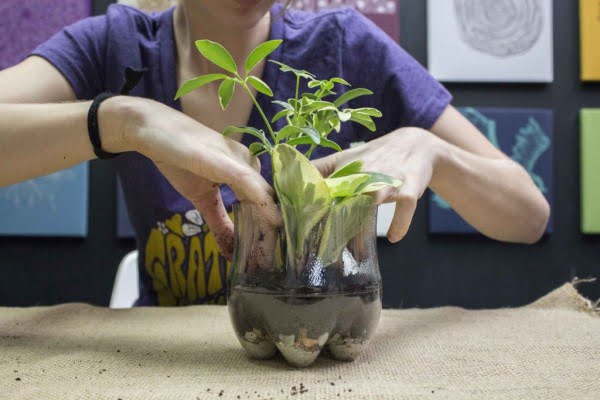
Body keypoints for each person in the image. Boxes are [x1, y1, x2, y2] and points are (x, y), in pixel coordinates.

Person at [0, 0, 550, 306]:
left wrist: (434, 152)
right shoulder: (116, 44)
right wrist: (123, 119)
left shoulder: (343, 44)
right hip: (161, 360)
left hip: (320, 345)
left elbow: (529, 215)